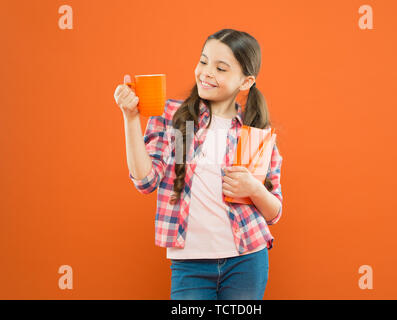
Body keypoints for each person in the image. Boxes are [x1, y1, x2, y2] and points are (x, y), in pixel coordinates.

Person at [113, 28, 283, 300]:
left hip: (247, 260)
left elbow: (274, 212)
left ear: (246, 81)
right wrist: (130, 118)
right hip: (190, 263)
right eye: (204, 61)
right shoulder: (175, 117)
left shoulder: (254, 132)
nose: (207, 72)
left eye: (221, 68)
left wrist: (254, 188)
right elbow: (146, 181)